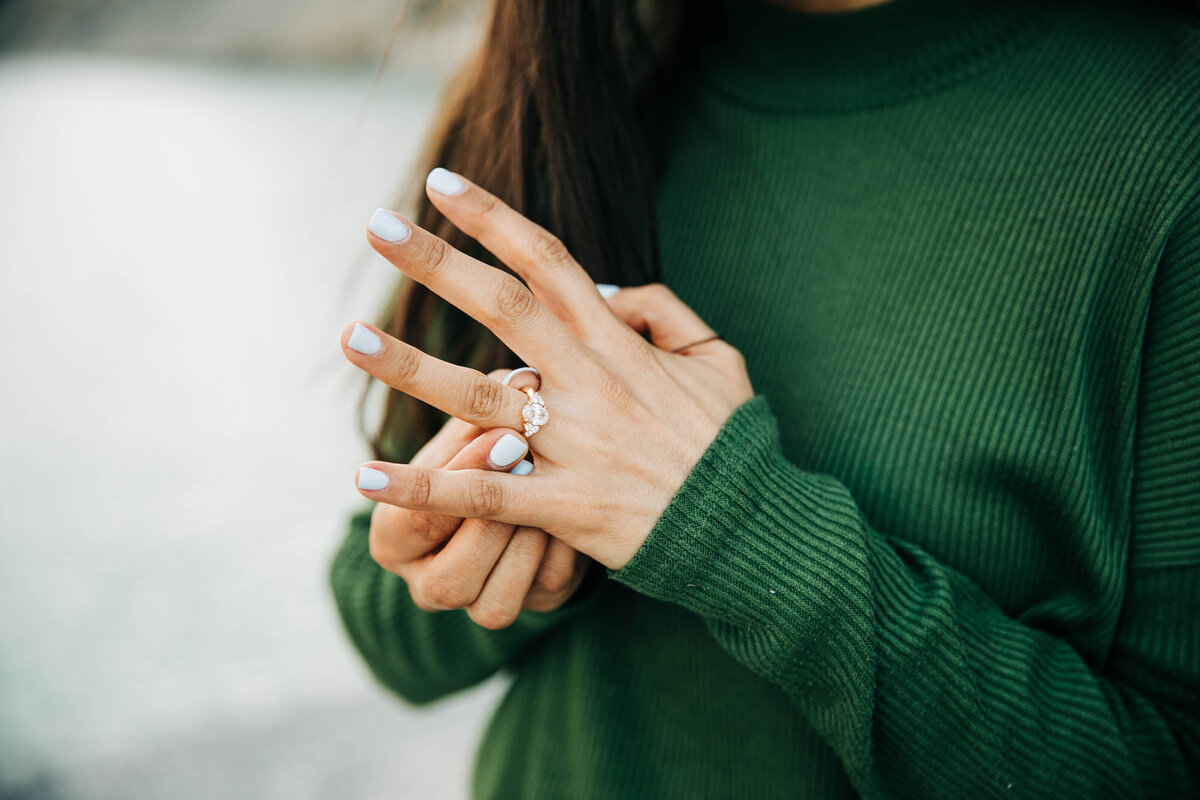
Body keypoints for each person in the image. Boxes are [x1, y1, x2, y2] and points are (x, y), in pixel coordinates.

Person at [329, 0, 1200, 796]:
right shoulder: (583, 75)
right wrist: (479, 542)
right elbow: (380, 620)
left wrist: (730, 527)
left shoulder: (1164, 139)